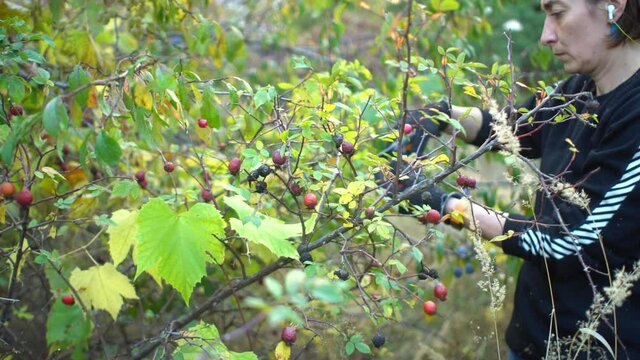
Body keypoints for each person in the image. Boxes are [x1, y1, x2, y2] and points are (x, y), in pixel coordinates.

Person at [389, 0, 640, 358]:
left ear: (612, 7)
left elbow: (567, 243)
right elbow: (511, 127)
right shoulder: (579, 89)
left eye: (558, 13)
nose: (545, 36)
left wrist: (445, 204)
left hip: (593, 348)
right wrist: (442, 115)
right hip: (530, 340)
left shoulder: (634, 119)